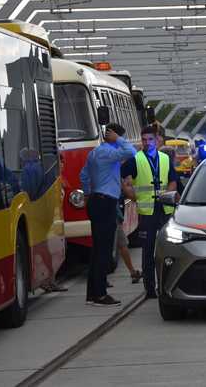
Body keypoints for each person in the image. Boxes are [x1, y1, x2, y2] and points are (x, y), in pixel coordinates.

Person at [80, 123, 136, 307]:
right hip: (105, 202)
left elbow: (84, 176)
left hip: (97, 200)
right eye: (120, 138)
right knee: (104, 250)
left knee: (97, 249)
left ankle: (92, 293)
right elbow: (131, 152)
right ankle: (100, 295)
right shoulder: (108, 152)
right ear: (113, 137)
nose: (121, 142)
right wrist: (117, 139)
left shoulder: (95, 152)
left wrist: (89, 194)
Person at [122, 125, 178, 299]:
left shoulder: (165, 159)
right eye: (144, 140)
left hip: (165, 210)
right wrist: (133, 195)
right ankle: (149, 288)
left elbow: (173, 181)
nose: (147, 143)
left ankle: (168, 285)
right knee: (148, 251)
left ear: (157, 139)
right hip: (147, 213)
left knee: (169, 249)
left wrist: (167, 195)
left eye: (150, 139)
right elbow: (123, 180)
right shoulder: (135, 159)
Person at [114, 202, 143, 283]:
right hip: (113, 217)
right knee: (123, 245)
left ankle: (133, 272)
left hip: (109, 216)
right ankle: (133, 272)